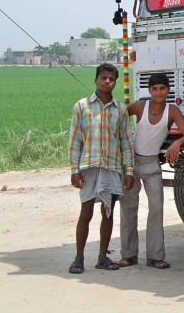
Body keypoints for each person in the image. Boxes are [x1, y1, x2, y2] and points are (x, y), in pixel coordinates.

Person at [119, 73, 184, 270]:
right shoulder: (140, 107)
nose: (158, 92)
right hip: (131, 164)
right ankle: (128, 255)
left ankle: (155, 256)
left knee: (157, 208)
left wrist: (177, 143)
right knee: (128, 208)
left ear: (168, 90)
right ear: (149, 91)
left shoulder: (172, 111)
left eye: (162, 88)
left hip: (152, 165)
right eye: (154, 89)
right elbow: (117, 116)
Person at [68, 63, 134, 274]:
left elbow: (125, 141)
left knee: (108, 212)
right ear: (96, 80)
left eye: (111, 79)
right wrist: (74, 170)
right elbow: (75, 140)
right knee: (86, 212)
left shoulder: (120, 109)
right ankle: (79, 258)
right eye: (103, 78)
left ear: (115, 82)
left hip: (112, 167)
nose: (107, 81)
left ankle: (102, 256)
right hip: (88, 166)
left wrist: (129, 171)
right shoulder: (82, 106)